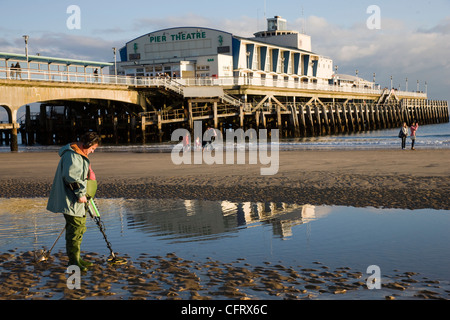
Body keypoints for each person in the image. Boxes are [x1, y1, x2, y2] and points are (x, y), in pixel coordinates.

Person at [47, 132, 100, 272]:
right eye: (92, 148)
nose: (93, 151)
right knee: (76, 228)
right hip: (71, 199)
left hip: (73, 199)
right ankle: (74, 262)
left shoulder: (76, 154)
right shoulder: (72, 155)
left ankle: (76, 258)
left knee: (77, 228)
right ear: (86, 145)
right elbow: (71, 178)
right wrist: (81, 194)